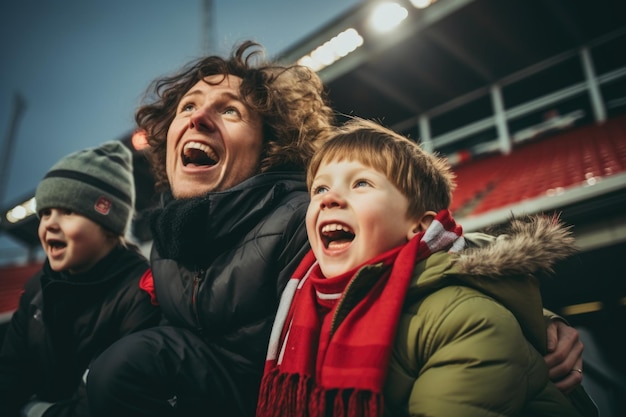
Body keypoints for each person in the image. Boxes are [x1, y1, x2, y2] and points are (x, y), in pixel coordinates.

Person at [87, 41, 586, 417]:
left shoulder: (303, 215)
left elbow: (420, 252)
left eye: (230, 110)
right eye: (188, 106)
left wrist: (536, 317)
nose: (198, 119)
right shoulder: (168, 242)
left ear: (269, 146)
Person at [256, 118, 597, 417]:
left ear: (420, 227)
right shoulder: (304, 304)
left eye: (361, 183)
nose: (329, 198)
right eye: (320, 188)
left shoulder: (466, 319)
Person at [0, 141, 162, 417]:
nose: (50, 223)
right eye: (45, 212)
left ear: (109, 227)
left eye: (69, 211)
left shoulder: (141, 295)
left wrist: (34, 411)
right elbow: (9, 375)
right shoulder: (36, 289)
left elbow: (106, 406)